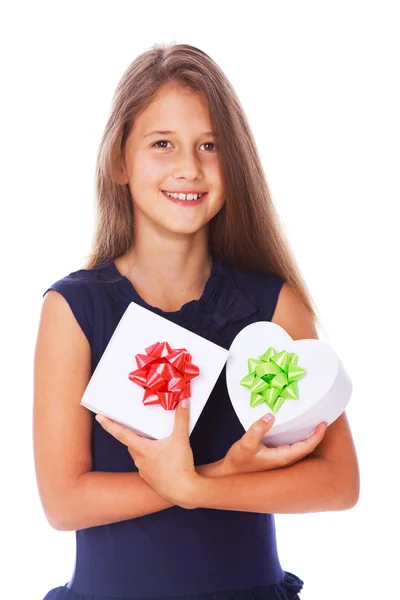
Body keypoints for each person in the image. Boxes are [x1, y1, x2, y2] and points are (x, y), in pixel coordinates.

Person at [33, 43, 360, 600]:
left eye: (210, 146)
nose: (189, 167)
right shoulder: (73, 310)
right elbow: (64, 502)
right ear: (119, 161)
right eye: (163, 144)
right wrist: (218, 475)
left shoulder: (272, 307)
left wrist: (193, 483)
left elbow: (339, 484)